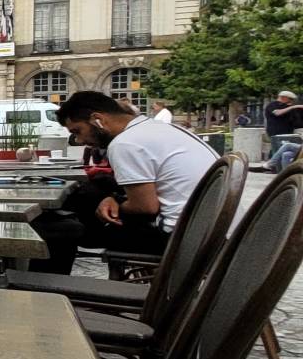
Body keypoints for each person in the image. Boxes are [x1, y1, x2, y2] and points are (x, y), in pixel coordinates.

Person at [30, 91, 218, 273]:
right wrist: (114, 199)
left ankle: (46, 294)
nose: (79, 140)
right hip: (211, 228)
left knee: (56, 230)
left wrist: (114, 203)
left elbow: (146, 206)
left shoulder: (126, 143)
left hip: (181, 238)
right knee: (87, 201)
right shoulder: (158, 128)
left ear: (98, 119)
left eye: (78, 131)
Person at [266, 90, 303, 171]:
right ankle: (272, 167)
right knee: (276, 147)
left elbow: (297, 122)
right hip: (275, 130)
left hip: (288, 132)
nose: (291, 102)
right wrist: (293, 107)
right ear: (284, 98)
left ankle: (273, 167)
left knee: (282, 149)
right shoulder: (272, 105)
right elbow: (277, 113)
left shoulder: (288, 107)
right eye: (290, 99)